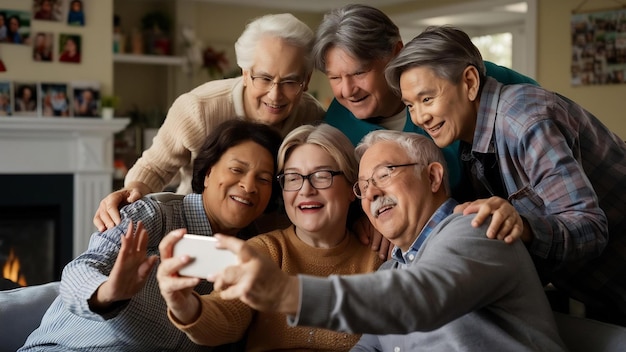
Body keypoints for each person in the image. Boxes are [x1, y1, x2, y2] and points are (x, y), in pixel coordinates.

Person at [210, 130, 568, 351]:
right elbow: (372, 344)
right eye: (363, 186)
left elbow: (416, 298)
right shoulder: (396, 262)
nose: (372, 193)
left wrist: (286, 293)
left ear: (432, 176)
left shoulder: (475, 227)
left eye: (384, 174)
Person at [384, 25, 626, 325]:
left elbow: (591, 229)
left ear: (470, 82)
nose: (420, 118)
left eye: (427, 99)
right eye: (410, 105)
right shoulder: (470, 142)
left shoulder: (525, 122)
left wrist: (523, 226)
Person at [19, 120, 283, 351]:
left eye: (263, 179)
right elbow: (82, 266)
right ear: (208, 173)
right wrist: (109, 292)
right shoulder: (155, 213)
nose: (248, 186)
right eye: (237, 170)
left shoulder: (255, 253)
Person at [157, 123, 384, 350]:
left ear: (352, 187)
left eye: (322, 175)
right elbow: (226, 315)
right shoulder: (265, 250)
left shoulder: (379, 259)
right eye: (293, 178)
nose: (306, 190)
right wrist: (186, 306)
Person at [93, 13, 325, 232]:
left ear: (306, 80)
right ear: (245, 73)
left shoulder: (312, 116)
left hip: (271, 233)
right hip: (196, 228)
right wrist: (129, 194)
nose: (275, 95)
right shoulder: (198, 108)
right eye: (264, 78)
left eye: (290, 82)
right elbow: (155, 167)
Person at [314, 4, 537, 201]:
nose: (347, 90)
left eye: (359, 72)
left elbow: (547, 116)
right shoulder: (336, 125)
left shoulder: (460, 76)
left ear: (396, 53)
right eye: (334, 78)